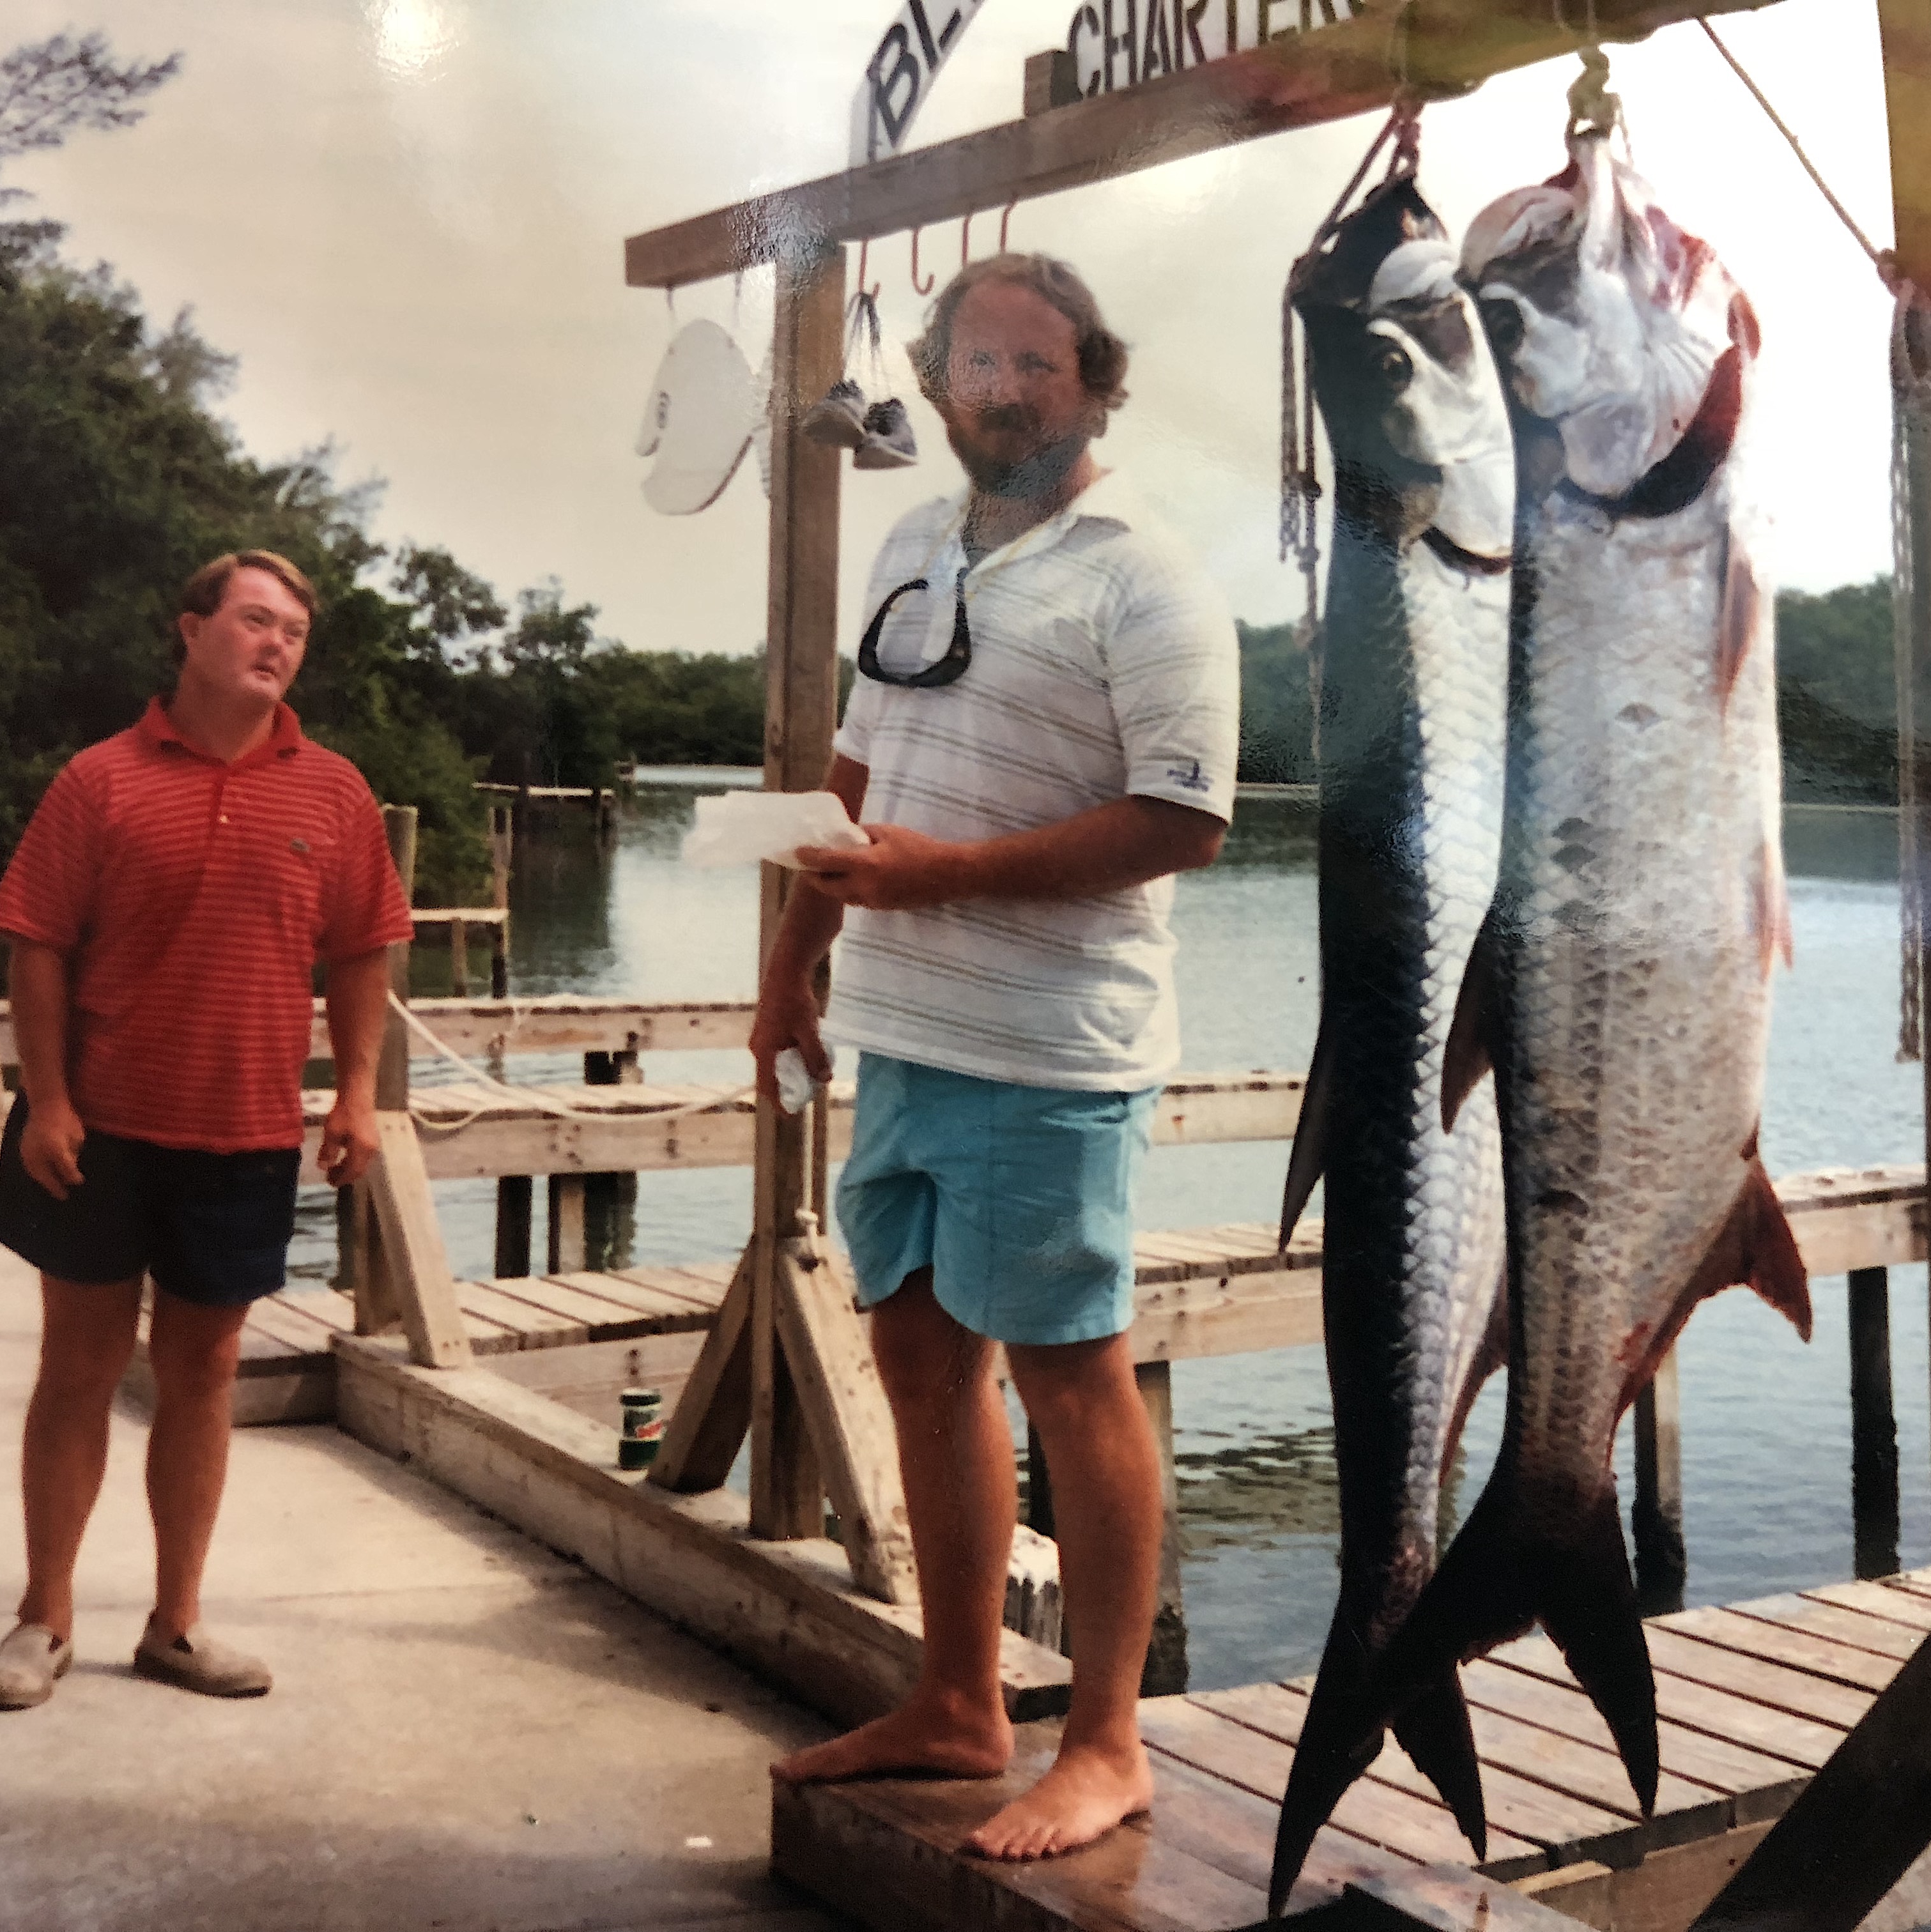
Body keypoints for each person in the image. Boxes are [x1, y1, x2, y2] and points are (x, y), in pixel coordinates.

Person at [759, 254, 1238, 1858]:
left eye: (1037, 362)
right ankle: (959, 1694)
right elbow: (852, 770)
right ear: (942, 383)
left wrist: (940, 880)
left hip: (1049, 1048)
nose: (1003, 387)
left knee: (1068, 1373)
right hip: (899, 1033)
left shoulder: (1148, 572)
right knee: (915, 1363)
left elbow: (1186, 819)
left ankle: (1106, 1740)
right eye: (975, 361)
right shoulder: (910, 539)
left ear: (1098, 381)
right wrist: (791, 976)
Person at [0, 550, 413, 1711]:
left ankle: (175, 1625)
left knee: (203, 1373)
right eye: (256, 620)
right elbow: (38, 945)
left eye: (296, 634)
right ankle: (42, 1621)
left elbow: (365, 946)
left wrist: (358, 1092)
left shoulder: (335, 791)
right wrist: (48, 1099)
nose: (277, 645)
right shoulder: (100, 781)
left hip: (246, 1129)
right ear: (191, 630)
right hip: (99, 1126)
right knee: (77, 1369)